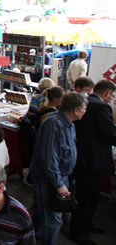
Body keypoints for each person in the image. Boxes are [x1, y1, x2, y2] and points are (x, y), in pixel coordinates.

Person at [30, 92, 88, 245]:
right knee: (53, 220)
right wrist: (59, 184)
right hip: (49, 180)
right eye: (84, 108)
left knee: (44, 214)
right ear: (75, 110)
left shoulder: (69, 125)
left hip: (61, 177)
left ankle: (28, 237)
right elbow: (50, 158)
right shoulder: (54, 125)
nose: (85, 111)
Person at [70, 80, 116, 244]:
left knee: (86, 197)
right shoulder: (102, 107)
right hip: (92, 160)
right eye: (111, 96)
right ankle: (79, 233)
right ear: (107, 93)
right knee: (87, 198)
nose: (110, 100)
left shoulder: (86, 102)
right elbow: (110, 135)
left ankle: (86, 225)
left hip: (82, 158)